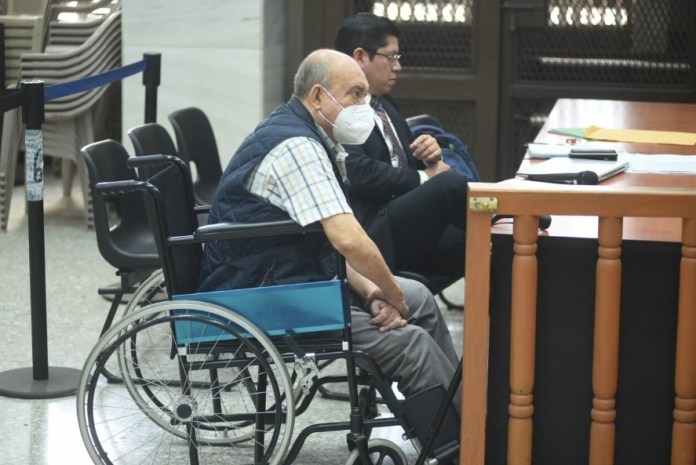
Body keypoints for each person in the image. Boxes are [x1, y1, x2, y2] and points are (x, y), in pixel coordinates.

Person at [198, 49, 459, 407]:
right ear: (318, 95)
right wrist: (390, 295)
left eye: (365, 96)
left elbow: (328, 243)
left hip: (292, 276)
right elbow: (348, 240)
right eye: (354, 94)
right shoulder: (297, 146)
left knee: (420, 299)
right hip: (260, 292)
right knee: (409, 342)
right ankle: (456, 445)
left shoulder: (311, 134)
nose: (364, 106)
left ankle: (462, 422)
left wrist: (374, 293)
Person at [334, 13, 469, 279]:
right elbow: (359, 172)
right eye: (391, 57)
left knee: (478, 245)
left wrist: (428, 156)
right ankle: (500, 216)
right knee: (450, 184)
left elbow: (404, 158)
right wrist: (425, 176)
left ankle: (504, 231)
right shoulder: (338, 107)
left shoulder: (384, 102)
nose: (398, 67)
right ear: (360, 57)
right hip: (374, 228)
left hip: (403, 214)